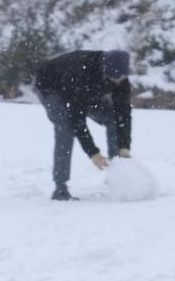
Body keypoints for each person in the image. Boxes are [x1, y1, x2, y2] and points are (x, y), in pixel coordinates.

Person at [34, 48, 134, 201]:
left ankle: (117, 176)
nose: (116, 81)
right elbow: (77, 120)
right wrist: (93, 153)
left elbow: (123, 114)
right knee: (66, 128)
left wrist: (124, 146)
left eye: (120, 77)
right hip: (52, 87)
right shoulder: (82, 73)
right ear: (104, 70)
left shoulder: (120, 79)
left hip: (86, 91)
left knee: (113, 119)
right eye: (113, 77)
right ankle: (60, 188)